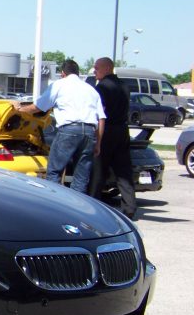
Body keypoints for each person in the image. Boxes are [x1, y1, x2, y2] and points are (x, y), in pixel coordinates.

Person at [12, 59, 105, 193]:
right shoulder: (91, 90)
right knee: (81, 176)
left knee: (54, 171)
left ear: (62, 73)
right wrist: (98, 143)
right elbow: (101, 118)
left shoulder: (59, 85)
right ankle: (77, 209)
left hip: (69, 130)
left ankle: (55, 204)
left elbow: (37, 107)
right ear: (78, 73)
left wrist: (19, 109)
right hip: (90, 132)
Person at [88, 57, 137, 218]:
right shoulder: (124, 86)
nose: (94, 71)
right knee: (123, 170)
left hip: (106, 130)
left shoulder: (102, 88)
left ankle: (93, 205)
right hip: (122, 130)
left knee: (99, 170)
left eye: (97, 68)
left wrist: (97, 139)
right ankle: (130, 207)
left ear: (107, 68)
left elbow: (100, 113)